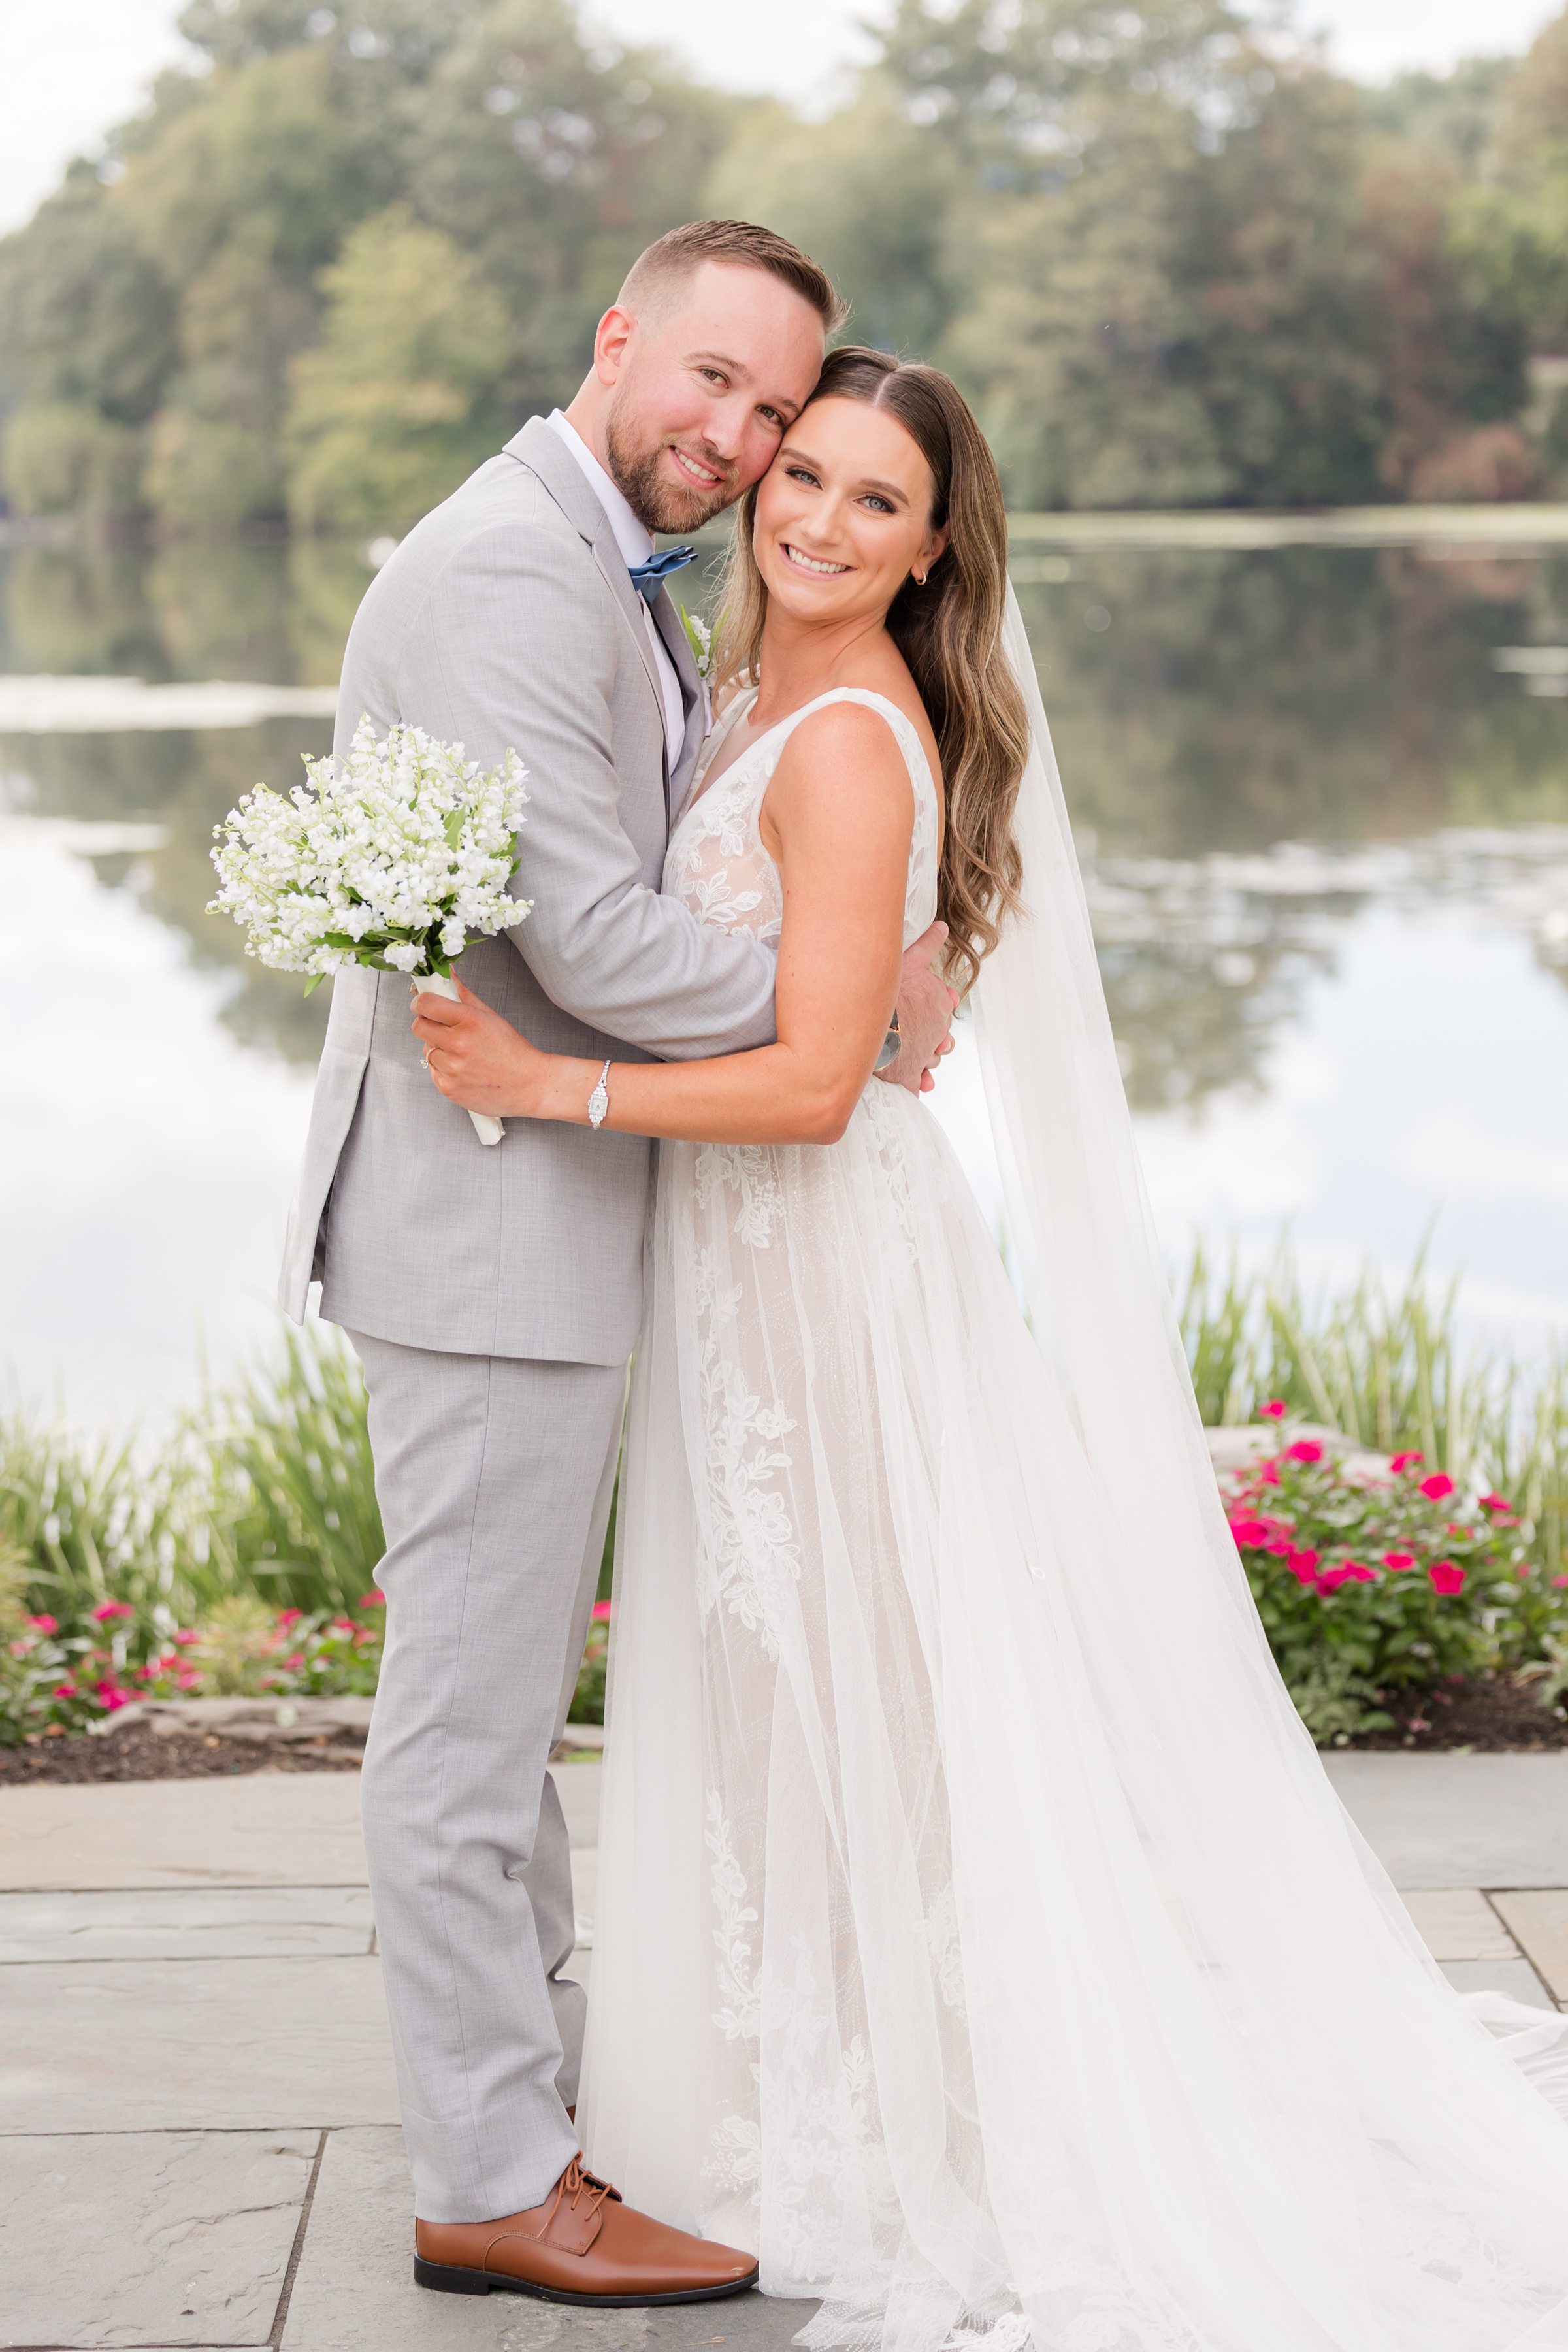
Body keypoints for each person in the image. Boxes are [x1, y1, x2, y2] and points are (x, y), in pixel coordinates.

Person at [415, 348, 1568, 2352]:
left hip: (823, 1270)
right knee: (789, 1686)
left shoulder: (852, 736)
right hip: (743, 1272)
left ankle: (918, 2123)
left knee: (876, 1688)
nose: (819, 521)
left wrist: (546, 1081)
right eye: (808, 476)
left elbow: (804, 1088)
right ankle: (792, 2082)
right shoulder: (740, 682)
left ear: (938, 546)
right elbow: (823, 984)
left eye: (879, 502)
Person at [278, 222, 958, 2308]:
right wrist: (837, 1004)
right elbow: (583, 937)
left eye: (779, 412)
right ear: (618, 341)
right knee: (466, 1740)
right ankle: (498, 2175)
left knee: (492, 1728)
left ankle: (536, 2120)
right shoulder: (509, 570)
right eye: (720, 390)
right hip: (495, 1215)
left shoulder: (602, 563)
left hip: (544, 1210)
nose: (743, 440)